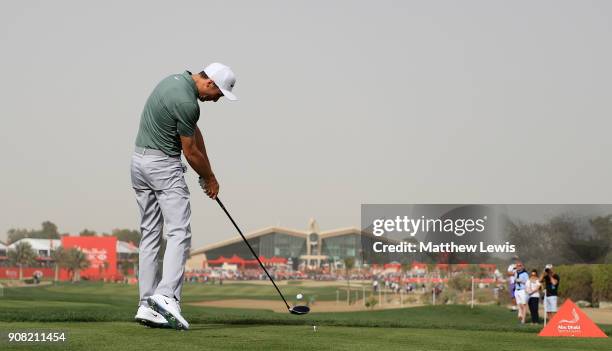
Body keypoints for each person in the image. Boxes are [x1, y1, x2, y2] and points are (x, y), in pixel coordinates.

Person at [131, 63, 237, 330]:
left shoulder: (174, 81)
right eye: (219, 95)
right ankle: (166, 297)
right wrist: (210, 178)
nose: (216, 100)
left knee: (150, 235)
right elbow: (190, 153)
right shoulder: (189, 103)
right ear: (210, 83)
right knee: (179, 232)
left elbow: (194, 134)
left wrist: (208, 171)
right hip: (163, 167)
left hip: (139, 163)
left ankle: (147, 304)